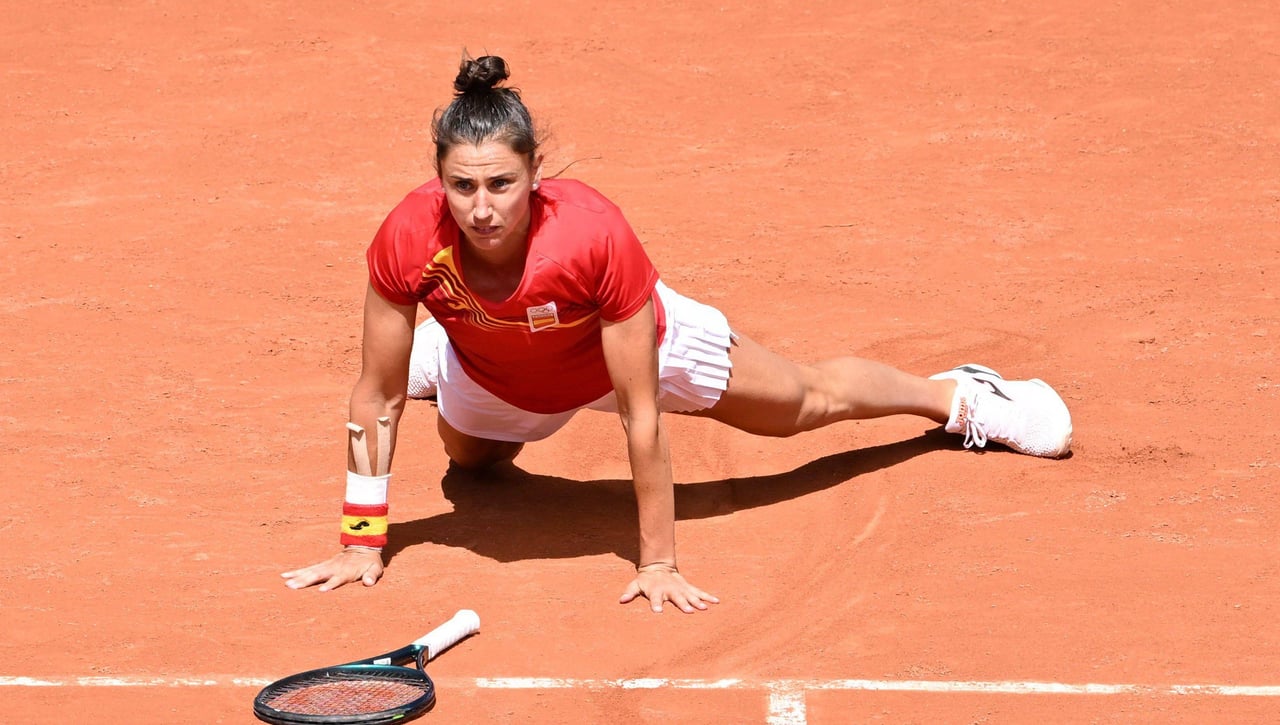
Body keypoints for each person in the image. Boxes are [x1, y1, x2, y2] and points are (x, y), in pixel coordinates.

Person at [281, 55, 1073, 613]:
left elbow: (640, 414)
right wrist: (362, 538)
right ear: (438, 178)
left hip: (621, 351)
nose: (482, 207)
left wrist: (657, 558)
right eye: (461, 186)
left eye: (501, 184)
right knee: (473, 465)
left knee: (801, 400)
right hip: (500, 371)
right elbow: (374, 397)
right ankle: (453, 351)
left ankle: (958, 397)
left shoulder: (593, 236)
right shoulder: (407, 238)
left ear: (536, 171)